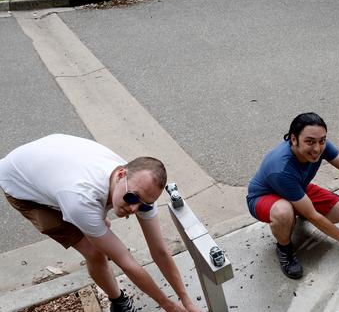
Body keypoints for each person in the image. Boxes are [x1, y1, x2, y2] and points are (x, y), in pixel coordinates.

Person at [0, 134, 199, 312]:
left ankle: (95, 223)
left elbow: (160, 251)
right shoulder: (80, 199)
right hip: (21, 185)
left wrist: (186, 301)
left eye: (145, 205)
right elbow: (127, 262)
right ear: (121, 174)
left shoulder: (139, 187)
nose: (134, 209)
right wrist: (169, 305)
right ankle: (119, 302)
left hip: (56, 166)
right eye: (132, 198)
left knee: (97, 226)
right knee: (95, 252)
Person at [247, 112, 339, 279]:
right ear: (293, 139)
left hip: (298, 189)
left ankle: (296, 212)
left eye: (322, 141)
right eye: (310, 142)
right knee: (284, 212)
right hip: (264, 197)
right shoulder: (281, 168)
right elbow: (313, 216)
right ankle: (284, 249)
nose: (317, 148)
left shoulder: (320, 144)